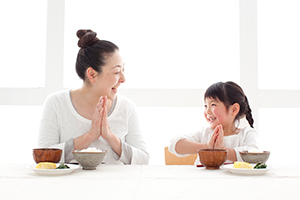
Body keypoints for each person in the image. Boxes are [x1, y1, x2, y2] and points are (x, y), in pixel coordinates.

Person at [38, 29, 149, 165]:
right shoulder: (56, 103)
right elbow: (43, 157)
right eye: (116, 72)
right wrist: (89, 136)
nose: (123, 79)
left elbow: (143, 160)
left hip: (117, 185)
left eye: (123, 70)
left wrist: (110, 136)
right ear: (92, 75)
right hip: (68, 185)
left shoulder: (127, 107)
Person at [168, 81, 259, 164]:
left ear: (234, 109)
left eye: (213, 105)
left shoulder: (247, 134)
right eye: (205, 106)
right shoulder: (205, 133)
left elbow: (253, 156)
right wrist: (207, 147)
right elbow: (174, 145)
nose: (207, 111)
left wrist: (222, 150)